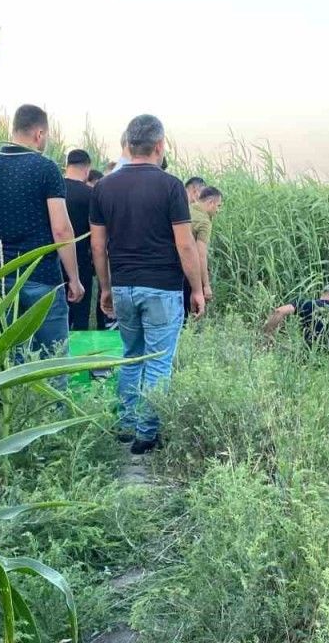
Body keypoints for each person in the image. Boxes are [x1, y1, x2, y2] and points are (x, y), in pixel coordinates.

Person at [90, 114, 204, 454]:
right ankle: (147, 434)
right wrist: (197, 289)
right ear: (159, 145)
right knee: (158, 361)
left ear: (128, 144)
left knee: (131, 356)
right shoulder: (171, 186)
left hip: (123, 285)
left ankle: (126, 424)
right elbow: (185, 245)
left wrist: (105, 287)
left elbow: (98, 245)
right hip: (162, 287)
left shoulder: (105, 186)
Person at [0, 104, 84, 364]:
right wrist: (74, 278)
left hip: (2, 277)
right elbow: (61, 230)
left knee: (12, 359)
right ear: (39, 134)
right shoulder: (46, 169)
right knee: (52, 358)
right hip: (43, 277)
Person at [64, 149, 95, 331]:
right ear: (87, 169)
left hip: (51, 262)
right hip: (81, 262)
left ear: (67, 165)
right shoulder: (90, 194)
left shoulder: (54, 190)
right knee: (80, 319)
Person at [262, 284, 329, 347]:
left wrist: (267, 334)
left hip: (305, 353)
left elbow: (279, 311)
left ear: (322, 294)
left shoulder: (308, 304)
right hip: (327, 358)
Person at [187, 186, 222, 316]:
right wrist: (206, 286)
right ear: (210, 203)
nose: (218, 210)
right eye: (218, 206)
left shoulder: (187, 209)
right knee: (190, 314)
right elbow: (201, 255)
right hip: (187, 270)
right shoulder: (204, 221)